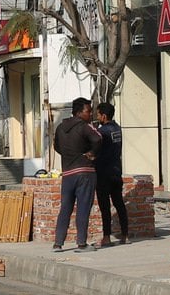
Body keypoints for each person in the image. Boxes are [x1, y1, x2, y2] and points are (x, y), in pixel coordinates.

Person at [52, 96, 102, 252]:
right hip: (84, 172)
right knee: (83, 208)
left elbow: (57, 147)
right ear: (80, 112)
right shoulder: (84, 126)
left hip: (67, 173)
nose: (91, 114)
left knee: (65, 208)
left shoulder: (60, 127)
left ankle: (58, 243)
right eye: (88, 111)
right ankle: (81, 243)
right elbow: (99, 139)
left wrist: (69, 156)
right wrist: (91, 153)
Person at [94, 102, 129, 247]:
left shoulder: (102, 132)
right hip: (116, 172)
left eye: (98, 114)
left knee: (105, 207)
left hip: (103, 173)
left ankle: (106, 237)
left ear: (103, 115)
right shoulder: (117, 128)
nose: (97, 117)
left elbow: (95, 148)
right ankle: (125, 235)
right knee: (119, 204)